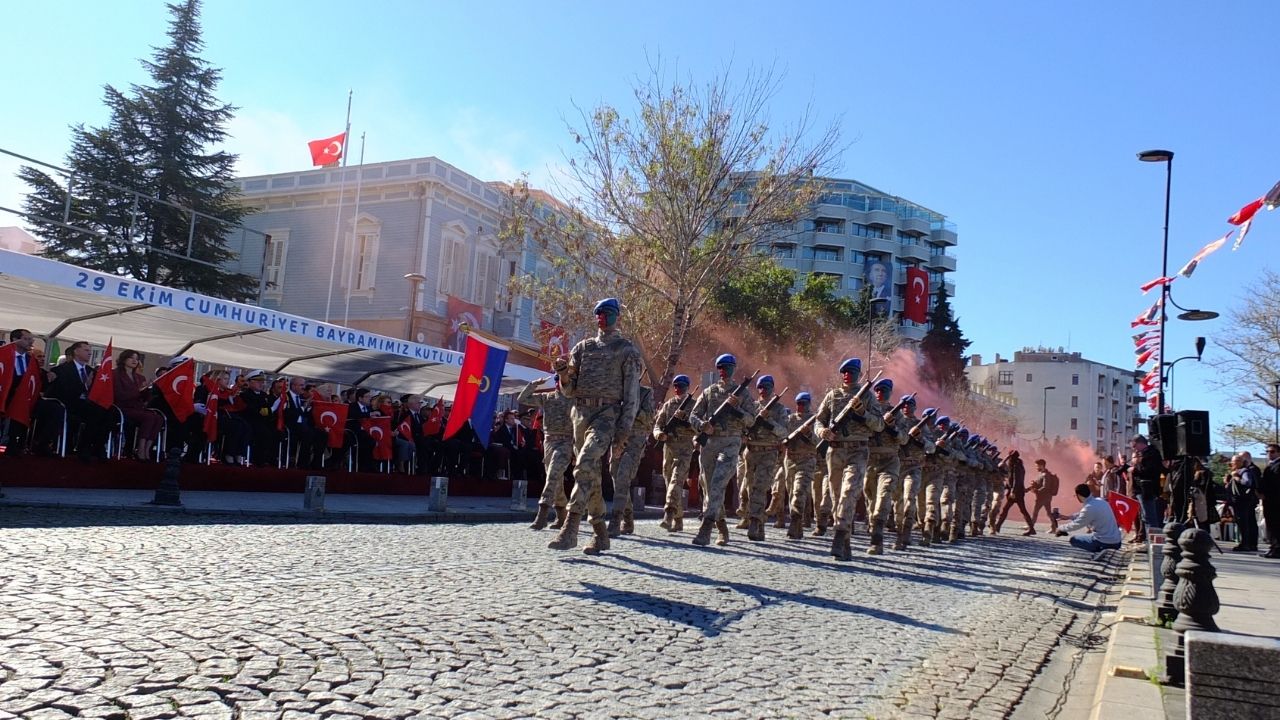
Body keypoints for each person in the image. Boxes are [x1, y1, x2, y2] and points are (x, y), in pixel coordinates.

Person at [545, 298, 642, 556]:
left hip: (607, 415)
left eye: (607, 313)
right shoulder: (583, 348)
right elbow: (569, 390)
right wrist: (564, 373)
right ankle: (600, 533)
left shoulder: (626, 351)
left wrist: (623, 433)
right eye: (598, 313)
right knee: (590, 475)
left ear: (616, 317)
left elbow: (632, 397)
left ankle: (571, 527)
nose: (602, 317)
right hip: (580, 414)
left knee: (585, 462)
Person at [814, 357, 884, 561]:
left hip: (858, 451)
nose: (848, 375)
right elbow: (819, 420)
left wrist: (862, 412)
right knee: (836, 497)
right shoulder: (832, 396)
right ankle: (845, 543)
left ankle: (838, 534)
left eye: (852, 372)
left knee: (848, 493)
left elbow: (879, 425)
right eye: (845, 372)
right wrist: (822, 432)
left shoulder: (868, 398)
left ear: (858, 374)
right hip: (835, 451)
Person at [688, 353, 759, 547]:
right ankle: (722, 527)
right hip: (710, 444)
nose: (724, 371)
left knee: (718, 484)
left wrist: (736, 409)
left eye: (728, 367)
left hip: (731, 443)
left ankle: (706, 528)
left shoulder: (742, 394)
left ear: (733, 369)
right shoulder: (709, 392)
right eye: (721, 367)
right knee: (709, 488)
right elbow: (693, 416)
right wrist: (703, 426)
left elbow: (751, 420)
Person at [520, 376, 573, 531]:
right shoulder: (547, 397)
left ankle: (542, 514)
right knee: (556, 480)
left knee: (553, 475)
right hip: (549, 442)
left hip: (566, 442)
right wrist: (534, 384)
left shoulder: (574, 399)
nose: (561, 384)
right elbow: (523, 398)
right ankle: (562, 514)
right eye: (559, 381)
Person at [740, 375, 788, 542]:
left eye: (767, 387)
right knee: (748, 488)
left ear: (772, 388)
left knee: (760, 488)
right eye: (760, 387)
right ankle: (758, 522)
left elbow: (784, 432)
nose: (763, 390)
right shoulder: (751, 408)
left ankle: (754, 521)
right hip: (751, 452)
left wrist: (768, 420)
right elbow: (742, 426)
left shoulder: (779, 410)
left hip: (768, 453)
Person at [653, 374, 697, 533]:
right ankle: (678, 519)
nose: (679, 389)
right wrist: (659, 434)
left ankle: (669, 513)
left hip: (685, 447)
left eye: (682, 386)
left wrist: (685, 418)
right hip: (669, 448)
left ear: (688, 387)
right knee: (669, 482)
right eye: (676, 386)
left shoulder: (694, 405)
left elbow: (698, 427)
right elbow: (658, 425)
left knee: (676, 481)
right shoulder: (668, 405)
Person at [113, 349, 163, 461]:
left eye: (137, 358)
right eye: (132, 358)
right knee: (149, 418)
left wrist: (147, 390)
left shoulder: (140, 377)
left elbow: (145, 398)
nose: (135, 361)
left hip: (138, 407)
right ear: (124, 359)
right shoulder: (115, 374)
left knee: (158, 418)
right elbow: (119, 395)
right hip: (123, 407)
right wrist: (139, 390)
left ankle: (147, 448)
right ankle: (140, 448)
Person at [1055, 483, 1123, 553]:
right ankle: (1105, 548)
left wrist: (1061, 528)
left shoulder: (1088, 508)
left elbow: (1077, 524)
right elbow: (1085, 514)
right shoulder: (1101, 501)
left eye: (1076, 496)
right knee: (1091, 535)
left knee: (1074, 540)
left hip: (1104, 541)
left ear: (1079, 495)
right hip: (1117, 541)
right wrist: (1069, 517)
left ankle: (1101, 549)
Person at [1129, 435, 1164, 543]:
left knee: (1150, 517)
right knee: (1144, 516)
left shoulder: (1152, 454)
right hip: (1140, 489)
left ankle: (1155, 543)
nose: (1134, 449)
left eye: (1135, 446)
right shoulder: (1143, 454)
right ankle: (1149, 541)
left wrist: (1135, 467)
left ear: (1140, 443)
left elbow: (1149, 470)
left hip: (1147, 489)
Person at [994, 450, 1035, 535]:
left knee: (1010, 509)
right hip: (1017, 491)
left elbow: (1017, 479)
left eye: (1010, 457)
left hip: (1016, 492)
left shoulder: (1016, 466)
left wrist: (1013, 491)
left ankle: (998, 526)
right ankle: (997, 526)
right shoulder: (1018, 465)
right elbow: (1000, 466)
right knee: (1018, 510)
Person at [1226, 452, 1260, 553]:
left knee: (1243, 522)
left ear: (1240, 462)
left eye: (1235, 462)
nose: (1233, 464)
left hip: (1242, 501)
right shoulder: (1236, 471)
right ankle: (1245, 542)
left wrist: (1236, 477)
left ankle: (1245, 543)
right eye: (1232, 462)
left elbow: (1247, 482)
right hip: (1236, 502)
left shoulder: (1244, 471)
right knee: (1241, 522)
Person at [1260, 443, 1280, 559]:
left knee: (1275, 525)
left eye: (1272, 452)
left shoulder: (1278, 466)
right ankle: (1273, 547)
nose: (1269, 454)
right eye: (1267, 452)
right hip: (1269, 500)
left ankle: (1277, 548)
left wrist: (1265, 492)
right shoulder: (1270, 466)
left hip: (1275, 501)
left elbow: (1274, 484)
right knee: (1270, 525)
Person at [1028, 458, 1059, 533]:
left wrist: (1037, 491)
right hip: (1045, 497)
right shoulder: (1042, 474)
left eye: (1037, 466)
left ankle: (1031, 526)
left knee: (1036, 511)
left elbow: (1046, 487)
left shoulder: (1045, 475)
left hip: (1043, 497)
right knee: (1048, 512)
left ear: (1042, 465)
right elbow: (1039, 484)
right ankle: (1054, 528)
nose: (1036, 467)